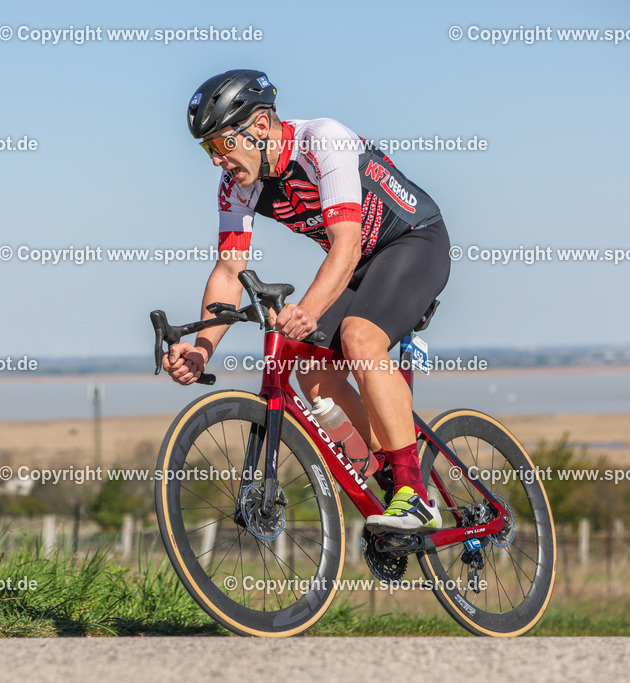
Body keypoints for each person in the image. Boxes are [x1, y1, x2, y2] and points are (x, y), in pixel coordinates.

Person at [164, 69, 451, 533]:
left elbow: (347, 245)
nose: (217, 161)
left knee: (359, 338)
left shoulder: (324, 141)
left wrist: (309, 311)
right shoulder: (238, 184)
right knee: (313, 371)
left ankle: (415, 495)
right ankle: (390, 474)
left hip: (413, 242)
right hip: (359, 265)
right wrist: (202, 348)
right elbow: (227, 271)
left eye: (221, 145)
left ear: (259, 126)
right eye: (207, 150)